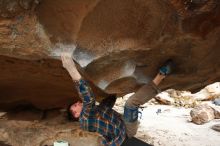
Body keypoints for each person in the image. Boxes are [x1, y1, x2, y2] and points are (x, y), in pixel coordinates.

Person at [61, 50, 173, 146]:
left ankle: (162, 74)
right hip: (121, 140)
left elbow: (108, 101)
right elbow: (87, 97)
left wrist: (117, 89)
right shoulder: (85, 119)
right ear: (76, 115)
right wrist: (72, 70)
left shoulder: (96, 111)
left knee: (130, 104)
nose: (77, 102)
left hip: (125, 124)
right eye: (75, 106)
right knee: (130, 104)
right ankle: (160, 76)